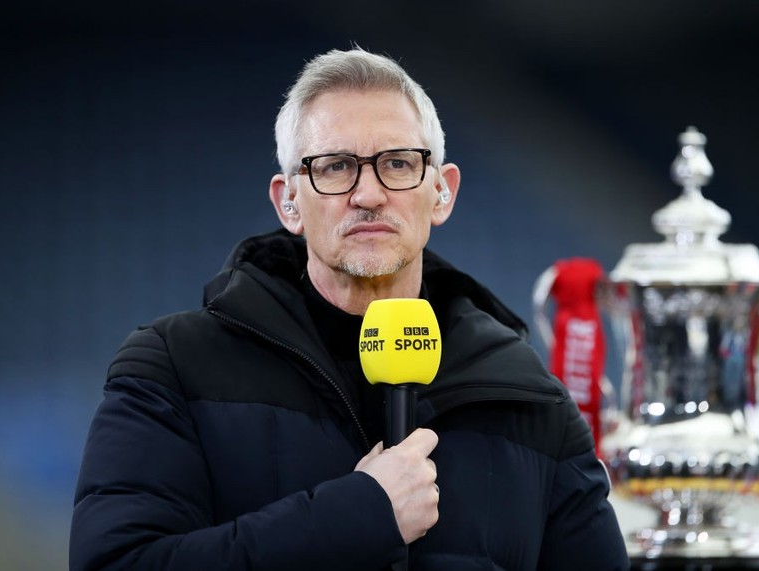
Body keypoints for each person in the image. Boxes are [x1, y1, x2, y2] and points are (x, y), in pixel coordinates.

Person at [70, 47, 630, 570]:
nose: (367, 194)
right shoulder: (173, 365)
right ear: (289, 199)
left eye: (398, 163)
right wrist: (357, 515)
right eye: (335, 166)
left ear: (442, 192)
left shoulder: (531, 398)